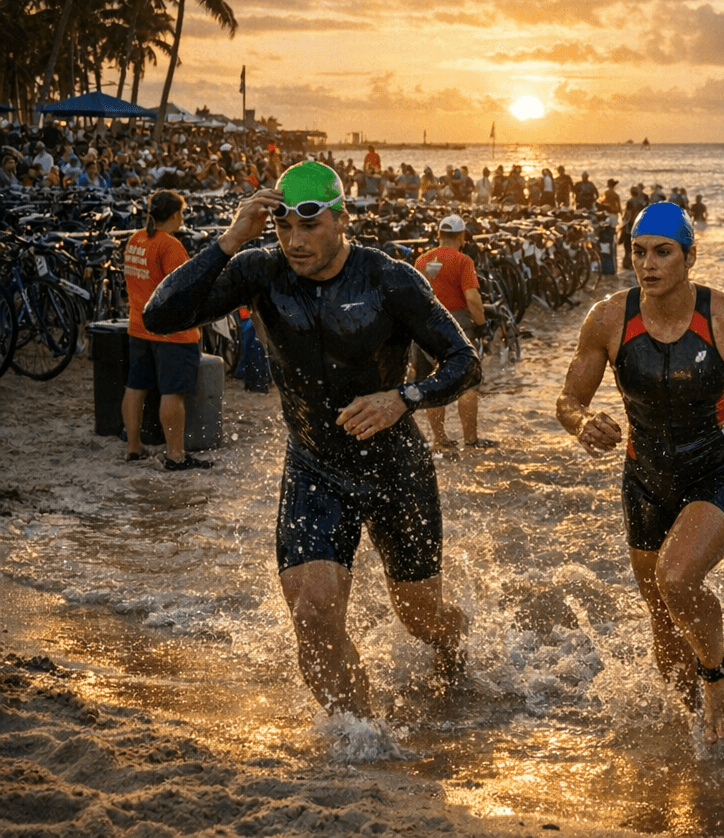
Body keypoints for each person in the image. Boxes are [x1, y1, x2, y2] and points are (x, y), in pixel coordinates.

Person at [142, 161, 478, 719]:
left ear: (342, 219)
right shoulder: (260, 271)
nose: (295, 242)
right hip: (315, 466)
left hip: (396, 468)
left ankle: (458, 656)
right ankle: (361, 737)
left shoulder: (387, 277)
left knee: (420, 616)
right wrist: (230, 240)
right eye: (283, 228)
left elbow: (465, 360)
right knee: (313, 614)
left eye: (310, 226)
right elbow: (161, 315)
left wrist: (403, 398)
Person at [555, 201, 724, 743]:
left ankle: (717, 677)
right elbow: (569, 399)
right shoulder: (608, 319)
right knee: (663, 618)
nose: (648, 264)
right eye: (638, 252)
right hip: (644, 480)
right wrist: (582, 422)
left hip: (719, 471)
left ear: (689, 256)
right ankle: (694, 746)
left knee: (678, 579)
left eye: (663, 252)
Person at [121, 190, 213, 471]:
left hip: (139, 325)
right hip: (172, 333)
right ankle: (175, 455)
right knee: (172, 392)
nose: (182, 219)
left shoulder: (135, 239)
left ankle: (134, 447)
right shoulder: (170, 245)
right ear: (174, 216)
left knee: (135, 387)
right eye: (181, 214)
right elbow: (182, 289)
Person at [413, 214, 496, 453]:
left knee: (432, 383)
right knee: (468, 383)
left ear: (439, 235)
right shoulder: (463, 261)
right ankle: (470, 440)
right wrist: (482, 326)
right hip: (456, 324)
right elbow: (472, 298)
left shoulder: (422, 260)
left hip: (425, 326)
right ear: (461, 236)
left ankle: (440, 440)